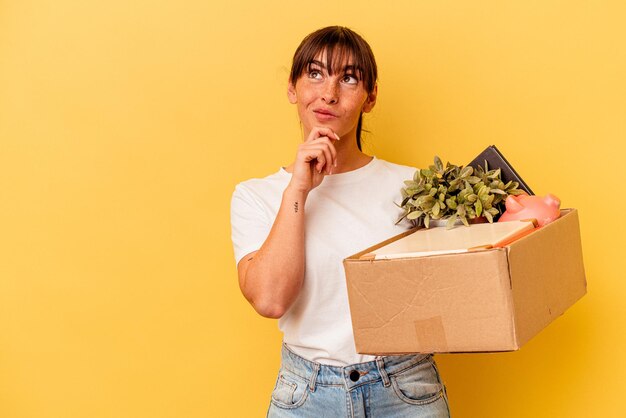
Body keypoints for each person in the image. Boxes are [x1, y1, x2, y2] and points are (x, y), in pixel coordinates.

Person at [231, 26, 451, 417]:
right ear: (292, 88)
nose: (329, 93)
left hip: (404, 389)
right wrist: (298, 189)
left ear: (370, 97)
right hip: (306, 396)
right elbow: (270, 300)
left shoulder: (414, 188)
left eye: (348, 78)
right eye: (315, 73)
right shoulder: (256, 196)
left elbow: (463, 284)